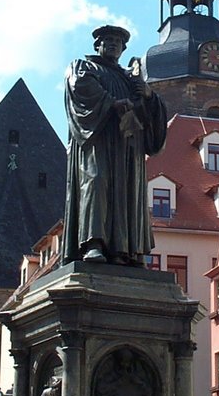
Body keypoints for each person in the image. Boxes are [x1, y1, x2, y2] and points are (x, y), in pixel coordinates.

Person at [61, 25, 168, 266]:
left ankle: (124, 250)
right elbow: (81, 88)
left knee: (127, 192)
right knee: (96, 182)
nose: (112, 44)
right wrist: (113, 103)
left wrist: (149, 95)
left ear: (123, 49)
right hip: (98, 140)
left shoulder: (129, 78)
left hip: (128, 146)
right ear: (97, 45)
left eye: (118, 42)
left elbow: (152, 115)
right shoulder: (84, 66)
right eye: (107, 40)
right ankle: (93, 243)